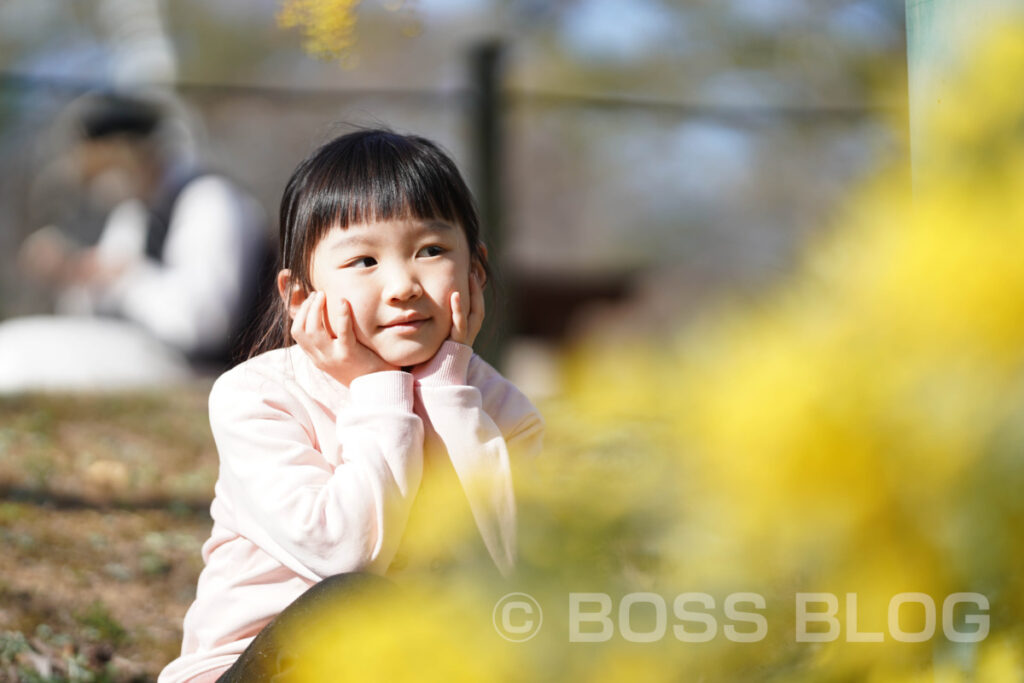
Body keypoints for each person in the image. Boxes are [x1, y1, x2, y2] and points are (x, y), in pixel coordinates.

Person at [159, 129, 545, 683]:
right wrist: (378, 388)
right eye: (364, 260)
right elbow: (343, 555)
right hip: (262, 669)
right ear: (300, 295)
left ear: (475, 270)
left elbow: (512, 580)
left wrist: (445, 395)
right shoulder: (259, 396)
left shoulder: (502, 410)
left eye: (431, 251)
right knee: (351, 598)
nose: (402, 286)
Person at [12, 91, 270, 382]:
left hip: (209, 374)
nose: (97, 180)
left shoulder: (210, 199)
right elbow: (91, 317)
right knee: (17, 344)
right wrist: (75, 273)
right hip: (148, 356)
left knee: (19, 355)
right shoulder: (133, 213)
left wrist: (122, 276)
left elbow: (202, 326)